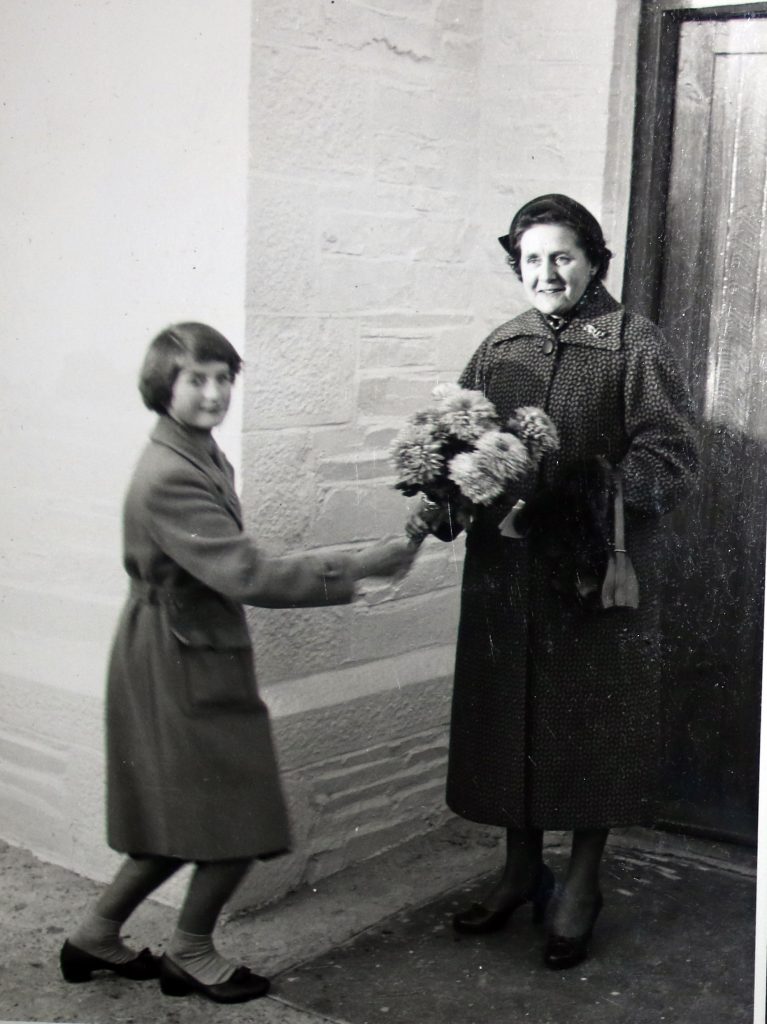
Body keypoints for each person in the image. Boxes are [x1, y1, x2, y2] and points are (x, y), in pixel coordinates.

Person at [59, 322, 415, 1003]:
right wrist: (357, 570)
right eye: (197, 379)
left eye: (224, 377)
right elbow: (247, 573)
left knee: (182, 812)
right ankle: (189, 950)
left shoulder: (192, 450)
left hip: (180, 644)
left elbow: (231, 564)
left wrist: (358, 564)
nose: (214, 392)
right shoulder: (170, 473)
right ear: (164, 384)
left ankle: (94, 935)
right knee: (237, 813)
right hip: (180, 656)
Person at [417, 195, 698, 968]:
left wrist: (585, 492)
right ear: (516, 264)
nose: (546, 273)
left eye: (562, 257)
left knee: (590, 723)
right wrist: (444, 483)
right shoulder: (498, 346)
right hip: (506, 573)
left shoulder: (632, 344)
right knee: (511, 717)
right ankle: (517, 870)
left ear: (594, 261)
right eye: (531, 259)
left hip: (589, 570)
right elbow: (460, 435)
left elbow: (670, 452)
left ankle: (580, 881)